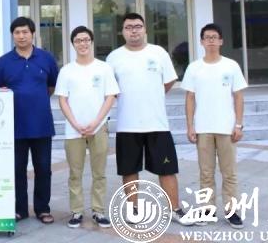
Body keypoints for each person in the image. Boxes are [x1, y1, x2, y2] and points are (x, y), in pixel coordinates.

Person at [106, 12, 191, 225]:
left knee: (167, 169)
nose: (133, 30)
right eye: (128, 27)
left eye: (137, 26)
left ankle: (175, 209)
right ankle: (134, 210)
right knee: (129, 170)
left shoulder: (158, 52)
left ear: (145, 29)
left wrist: (151, 95)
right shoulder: (114, 57)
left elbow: (168, 82)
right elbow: (110, 89)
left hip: (157, 124)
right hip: (127, 125)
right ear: (122, 31)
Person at [0, 16, 58, 225]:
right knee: (16, 170)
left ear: (33, 34)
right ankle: (19, 209)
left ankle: (42, 209)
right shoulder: (3, 62)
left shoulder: (46, 58)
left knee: (43, 169)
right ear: (12, 35)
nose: (21, 36)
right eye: (17, 33)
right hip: (13, 126)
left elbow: (51, 87)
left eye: (25, 32)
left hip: (41, 124)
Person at [182, 23, 247, 229]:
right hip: (203, 128)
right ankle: (207, 210)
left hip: (227, 128)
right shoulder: (194, 67)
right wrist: (190, 126)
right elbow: (190, 98)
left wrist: (238, 125)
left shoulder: (231, 66)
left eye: (214, 37)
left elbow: (238, 96)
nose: (211, 40)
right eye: (207, 37)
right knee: (206, 173)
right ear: (201, 42)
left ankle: (231, 210)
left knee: (229, 173)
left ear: (221, 41)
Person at [55, 25, 119, 229]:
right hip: (74, 130)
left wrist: (96, 122)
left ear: (91, 42)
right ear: (73, 44)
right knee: (75, 173)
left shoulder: (104, 68)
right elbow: (62, 100)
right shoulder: (66, 70)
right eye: (78, 40)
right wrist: (75, 123)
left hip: (99, 128)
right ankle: (77, 211)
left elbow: (110, 97)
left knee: (99, 172)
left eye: (86, 40)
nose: (82, 43)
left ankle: (98, 211)